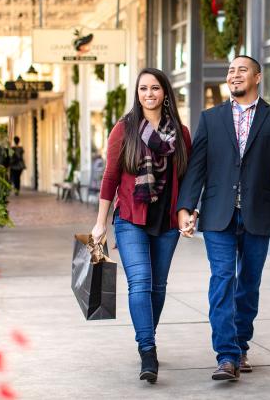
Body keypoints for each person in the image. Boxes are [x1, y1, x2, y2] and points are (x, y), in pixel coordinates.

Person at [176, 55, 270, 381]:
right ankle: (227, 356)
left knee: (248, 284)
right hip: (218, 214)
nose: (234, 75)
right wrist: (186, 207)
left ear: (257, 77)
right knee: (222, 280)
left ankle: (241, 342)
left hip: (257, 215)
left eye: (242, 70)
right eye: (231, 70)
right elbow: (197, 167)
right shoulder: (211, 118)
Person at [91, 68, 191, 384]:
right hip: (130, 218)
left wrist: (188, 212)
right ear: (137, 93)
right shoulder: (125, 129)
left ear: (165, 93)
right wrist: (99, 223)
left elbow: (187, 178)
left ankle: (148, 334)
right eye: (143, 88)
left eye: (155, 88)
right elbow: (109, 178)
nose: (148, 94)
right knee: (141, 282)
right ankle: (147, 349)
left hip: (167, 220)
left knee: (158, 287)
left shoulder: (181, 133)